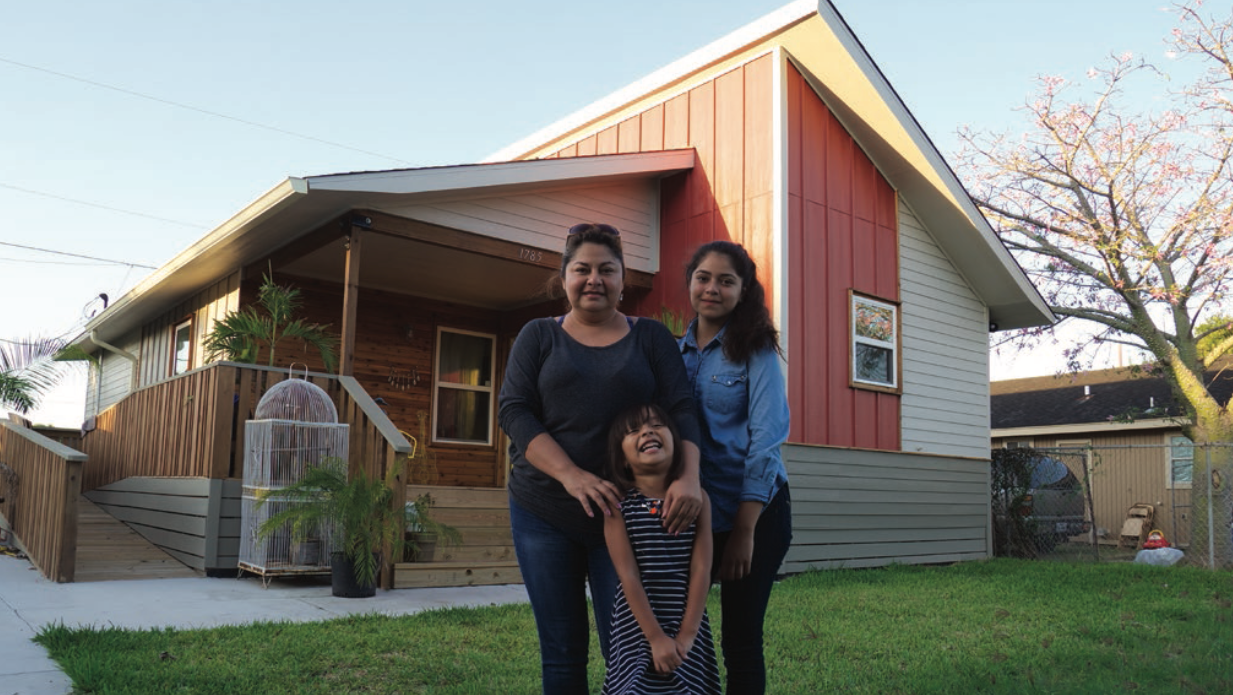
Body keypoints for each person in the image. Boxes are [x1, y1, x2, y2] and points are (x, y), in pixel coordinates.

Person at [498, 223, 705, 694]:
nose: (594, 279)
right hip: (543, 512)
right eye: (582, 269)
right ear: (565, 277)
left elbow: (681, 408)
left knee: (632, 650)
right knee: (563, 654)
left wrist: (690, 477)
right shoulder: (538, 336)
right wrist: (572, 476)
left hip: (630, 518)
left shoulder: (650, 337)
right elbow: (514, 411)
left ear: (623, 278)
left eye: (606, 270)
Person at [678, 240, 792, 695]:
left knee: (741, 640)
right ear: (690, 281)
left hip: (756, 514)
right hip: (694, 514)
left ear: (743, 291)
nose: (712, 289)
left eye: (726, 281)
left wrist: (745, 528)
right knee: (683, 629)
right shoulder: (673, 353)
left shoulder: (756, 350)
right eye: (703, 277)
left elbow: (766, 441)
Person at [601, 403, 721, 695]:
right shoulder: (617, 507)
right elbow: (628, 575)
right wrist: (655, 637)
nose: (647, 432)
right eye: (633, 431)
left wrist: (688, 634)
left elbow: (702, 569)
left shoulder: (698, 500)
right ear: (624, 459)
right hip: (638, 626)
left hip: (687, 619)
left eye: (656, 425)